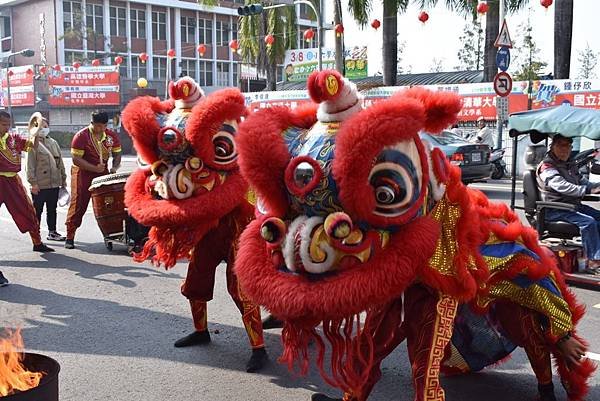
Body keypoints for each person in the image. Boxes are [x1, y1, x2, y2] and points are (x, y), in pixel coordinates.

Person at [0, 111, 55, 286]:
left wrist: (36, 130)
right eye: (2, 123)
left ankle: (37, 242)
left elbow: (31, 145)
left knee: (28, 211)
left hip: (12, 181)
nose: (5, 127)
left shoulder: (13, 139)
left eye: (7, 124)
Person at [537, 134, 600, 271]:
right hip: (555, 209)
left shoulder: (569, 165)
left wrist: (596, 186)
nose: (566, 150)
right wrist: (587, 191)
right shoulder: (547, 166)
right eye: (562, 145)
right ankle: (594, 261)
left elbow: (586, 183)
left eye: (568, 146)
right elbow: (562, 186)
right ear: (553, 146)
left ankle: (596, 253)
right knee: (588, 222)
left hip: (571, 207)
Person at [65, 111, 121, 249]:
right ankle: (70, 235)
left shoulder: (111, 137)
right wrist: (94, 168)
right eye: (97, 126)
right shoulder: (81, 136)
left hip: (103, 173)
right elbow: (76, 160)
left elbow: (117, 154)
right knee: (79, 204)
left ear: (106, 125)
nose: (100, 129)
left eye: (103, 126)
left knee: (108, 204)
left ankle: (110, 234)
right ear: (92, 123)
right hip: (82, 174)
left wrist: (114, 167)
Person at [26, 113, 67, 241]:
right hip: (39, 184)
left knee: (52, 210)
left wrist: (63, 180)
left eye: (46, 125)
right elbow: (30, 166)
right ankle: (35, 234)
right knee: (37, 211)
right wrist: (33, 183)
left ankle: (52, 232)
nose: (44, 128)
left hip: (53, 183)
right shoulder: (32, 144)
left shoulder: (53, 142)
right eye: (41, 126)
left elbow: (60, 162)